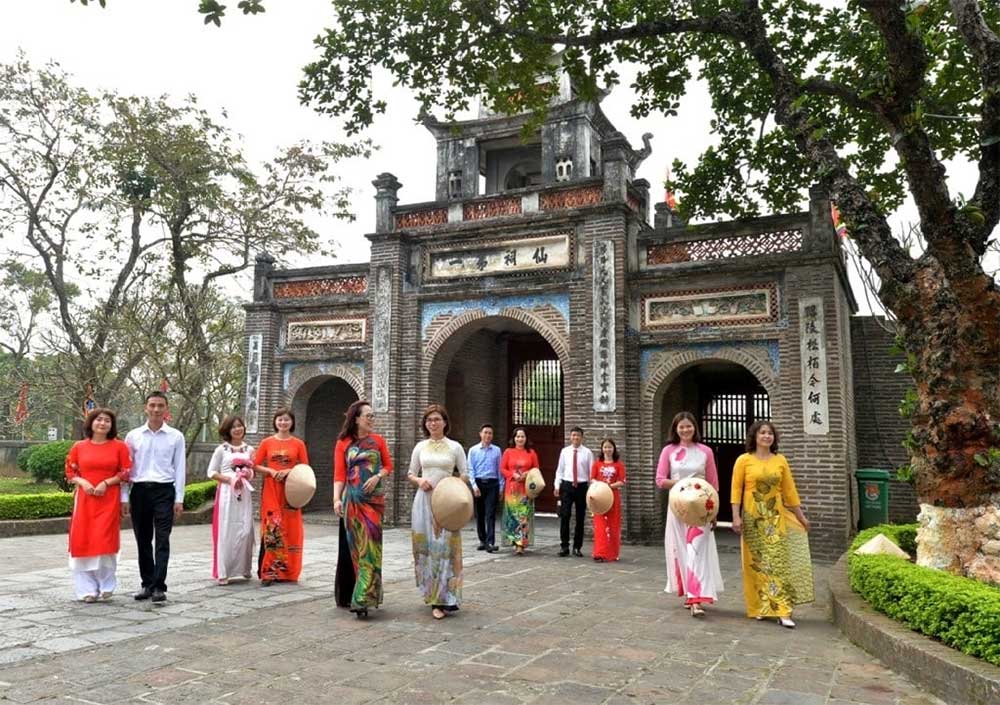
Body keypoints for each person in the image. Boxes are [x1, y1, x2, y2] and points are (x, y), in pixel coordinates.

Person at [731, 420, 813, 628]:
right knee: (756, 563)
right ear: (755, 437)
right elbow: (736, 491)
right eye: (762, 433)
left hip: (776, 518)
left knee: (778, 562)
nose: (767, 436)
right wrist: (736, 517)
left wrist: (801, 516)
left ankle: (782, 610)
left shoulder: (780, 460)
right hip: (752, 517)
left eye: (770, 433)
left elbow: (790, 492)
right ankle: (760, 607)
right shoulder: (744, 460)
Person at [656, 412, 724, 617]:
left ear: (695, 428)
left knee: (697, 549)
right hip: (678, 506)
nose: (685, 430)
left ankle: (697, 599)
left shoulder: (706, 451)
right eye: (681, 427)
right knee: (681, 550)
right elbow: (660, 479)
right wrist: (683, 485)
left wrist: (713, 512)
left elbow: (713, 483)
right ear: (675, 429)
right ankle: (689, 593)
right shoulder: (669, 450)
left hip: (701, 507)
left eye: (689, 426)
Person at [407, 404, 469, 620]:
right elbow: (411, 473)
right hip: (423, 502)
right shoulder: (420, 447)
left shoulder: (455, 447)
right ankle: (430, 593)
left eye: (437, 419)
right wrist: (419, 480)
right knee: (427, 549)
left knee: (444, 548)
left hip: (446, 503)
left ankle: (443, 598)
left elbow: (465, 473)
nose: (433, 423)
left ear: (445, 422)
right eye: (429, 420)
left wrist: (452, 488)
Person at [123, 391, 186, 603]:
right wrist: (125, 497)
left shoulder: (175, 436)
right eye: (152, 405)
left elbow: (179, 469)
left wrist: (179, 498)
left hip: (164, 491)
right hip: (139, 491)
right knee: (142, 540)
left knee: (162, 539)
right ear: (145, 407)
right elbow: (126, 468)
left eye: (160, 406)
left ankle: (159, 585)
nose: (156, 409)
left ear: (166, 409)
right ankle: (146, 584)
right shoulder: (133, 436)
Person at [333, 400, 393, 618]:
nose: (371, 419)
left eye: (372, 416)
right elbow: (339, 475)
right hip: (352, 501)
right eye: (368, 416)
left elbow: (388, 466)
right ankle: (360, 596)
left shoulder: (378, 441)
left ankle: (363, 598)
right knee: (357, 549)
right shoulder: (343, 443)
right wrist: (336, 500)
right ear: (356, 418)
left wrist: (378, 475)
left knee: (372, 548)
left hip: (374, 501)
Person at [65, 408, 131, 602]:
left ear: (112, 425)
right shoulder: (79, 447)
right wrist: (83, 482)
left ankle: (106, 585)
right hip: (85, 500)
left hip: (109, 499)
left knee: (105, 541)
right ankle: (86, 590)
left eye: (107, 421)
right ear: (91, 423)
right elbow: (70, 471)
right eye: (99, 420)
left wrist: (106, 483)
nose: (102, 423)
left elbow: (126, 472)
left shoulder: (119, 447)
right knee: (82, 540)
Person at [253, 408, 309, 586]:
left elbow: (305, 468)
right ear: (275, 422)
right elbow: (254, 465)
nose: (283, 423)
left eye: (286, 420)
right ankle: (269, 572)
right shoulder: (266, 442)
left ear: (292, 422)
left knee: (291, 529)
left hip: (291, 490)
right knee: (272, 529)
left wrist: (289, 471)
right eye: (280, 420)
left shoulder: (298, 444)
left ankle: (288, 572)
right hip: (271, 490)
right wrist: (270, 470)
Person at [207, 416, 255, 585]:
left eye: (240, 426)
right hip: (227, 493)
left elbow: (253, 470)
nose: (237, 429)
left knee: (245, 529)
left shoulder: (249, 449)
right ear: (228, 430)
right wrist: (229, 479)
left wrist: (247, 474)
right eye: (233, 427)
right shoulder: (222, 449)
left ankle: (244, 568)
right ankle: (223, 571)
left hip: (244, 492)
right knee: (226, 529)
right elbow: (211, 472)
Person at [554, 426, 593, 557]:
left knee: (580, 517)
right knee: (565, 516)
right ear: (570, 437)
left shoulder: (587, 453)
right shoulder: (564, 451)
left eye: (578, 435)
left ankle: (577, 546)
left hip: (582, 486)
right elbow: (560, 470)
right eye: (573, 435)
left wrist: (592, 488)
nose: (575, 438)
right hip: (567, 485)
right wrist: (557, 485)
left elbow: (591, 473)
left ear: (582, 437)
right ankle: (564, 546)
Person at [500, 426, 540, 556]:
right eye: (517, 436)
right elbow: (502, 469)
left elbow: (536, 469)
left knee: (523, 516)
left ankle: (521, 544)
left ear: (526, 438)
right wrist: (513, 475)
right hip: (511, 488)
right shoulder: (508, 452)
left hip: (525, 489)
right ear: (514, 438)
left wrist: (527, 473)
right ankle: (514, 541)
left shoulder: (531, 453)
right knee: (512, 516)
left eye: (522, 436)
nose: (520, 439)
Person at [467, 423, 502, 553]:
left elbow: (500, 470)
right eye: (485, 432)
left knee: (490, 513)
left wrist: (501, 487)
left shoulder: (497, 450)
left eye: (490, 433)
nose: (487, 435)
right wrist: (474, 486)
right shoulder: (473, 450)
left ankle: (490, 542)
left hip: (492, 483)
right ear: (480, 434)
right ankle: (482, 540)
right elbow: (470, 469)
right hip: (479, 483)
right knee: (480, 513)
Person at [591, 438, 626, 562]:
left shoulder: (619, 465)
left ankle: (612, 553)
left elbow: (622, 481)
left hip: (613, 496)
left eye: (610, 447)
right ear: (602, 449)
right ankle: (599, 553)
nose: (607, 449)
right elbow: (592, 478)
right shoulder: (597, 464)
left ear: (614, 449)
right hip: (599, 497)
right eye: (605, 447)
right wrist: (601, 486)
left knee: (613, 525)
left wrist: (609, 486)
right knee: (600, 525)